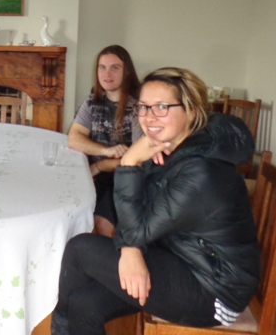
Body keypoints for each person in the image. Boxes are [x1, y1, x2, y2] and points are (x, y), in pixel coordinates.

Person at [52, 67, 260, 335]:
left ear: (192, 112)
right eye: (143, 107)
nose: (149, 117)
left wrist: (129, 162)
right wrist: (133, 248)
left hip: (215, 291)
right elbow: (138, 212)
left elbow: (137, 227)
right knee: (85, 304)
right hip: (180, 257)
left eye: (162, 107)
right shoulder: (173, 148)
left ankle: (58, 327)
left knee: (80, 248)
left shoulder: (201, 173)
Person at [68, 45, 142, 236]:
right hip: (97, 176)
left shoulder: (138, 106)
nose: (107, 73)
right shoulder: (92, 101)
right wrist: (105, 151)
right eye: (102, 67)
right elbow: (74, 138)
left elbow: (140, 159)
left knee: (102, 224)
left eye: (114, 68)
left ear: (127, 72)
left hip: (127, 178)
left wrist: (101, 165)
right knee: (68, 209)